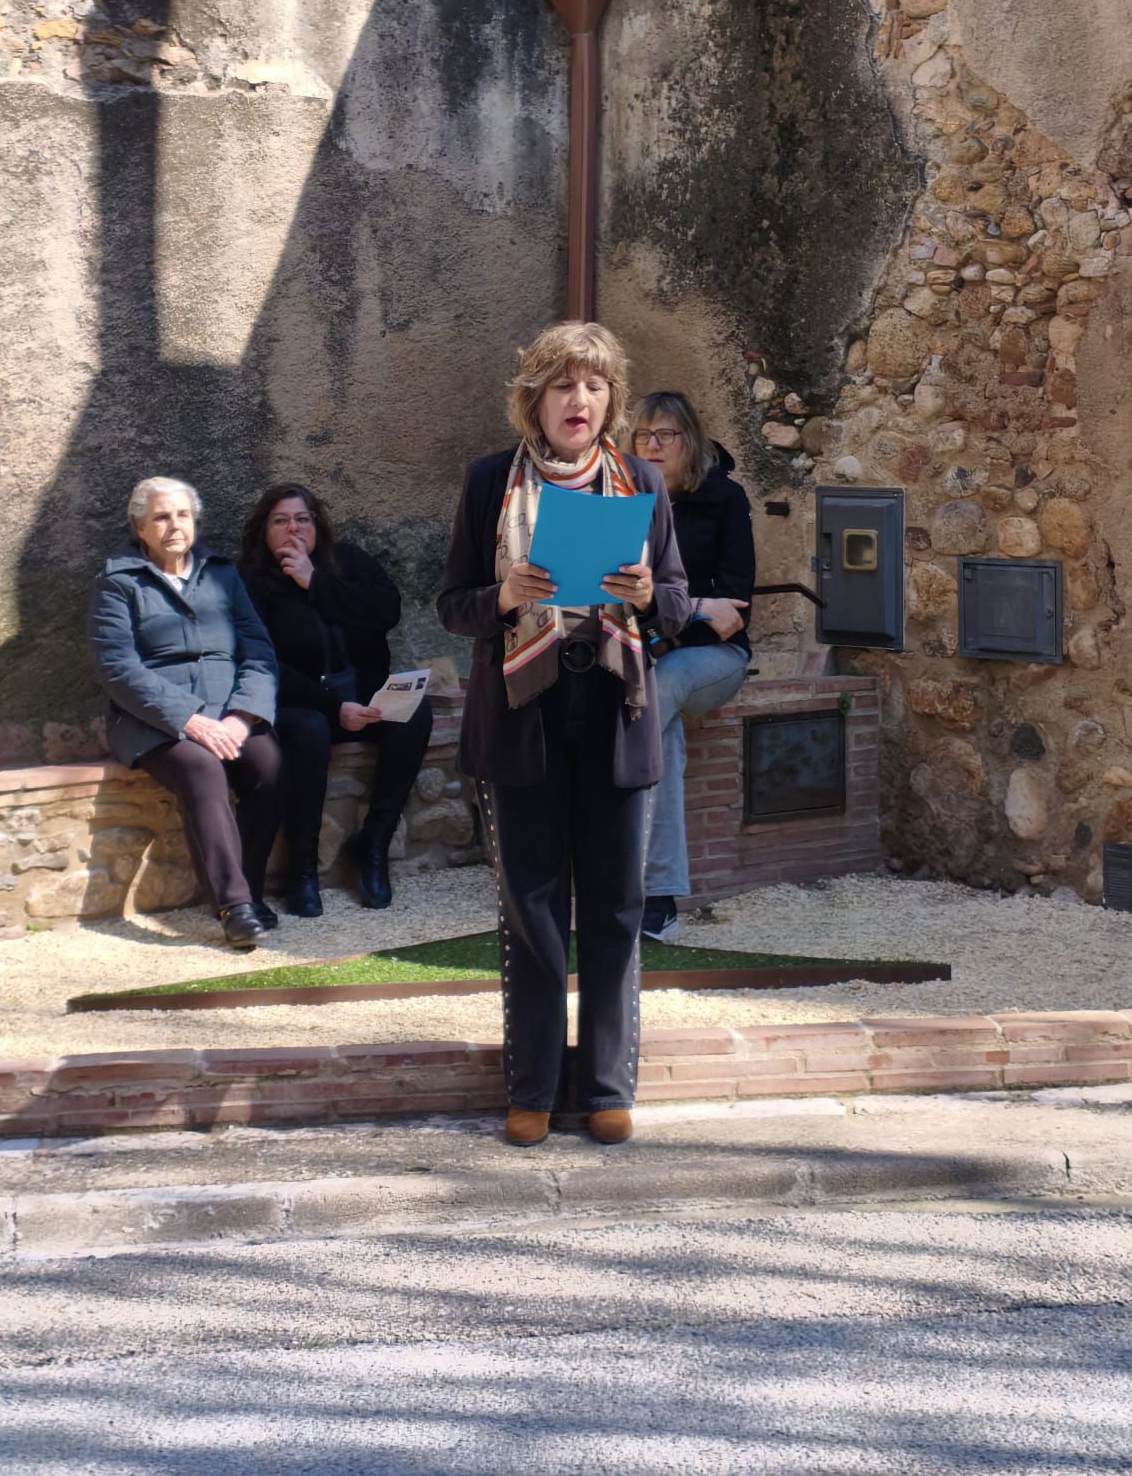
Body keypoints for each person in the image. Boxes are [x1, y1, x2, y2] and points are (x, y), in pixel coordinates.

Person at [438, 321, 691, 1149]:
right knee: (534, 912)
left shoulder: (640, 481)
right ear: (534, 400)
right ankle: (534, 1090)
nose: (579, 399)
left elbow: (679, 602)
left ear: (610, 399)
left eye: (594, 385)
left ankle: (608, 1088)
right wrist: (504, 597)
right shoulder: (489, 482)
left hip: (615, 709)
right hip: (525, 715)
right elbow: (452, 604)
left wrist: (649, 595)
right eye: (562, 385)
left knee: (616, 909)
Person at [87, 476, 282, 950]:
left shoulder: (223, 575)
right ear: (140, 528)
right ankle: (234, 906)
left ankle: (250, 888)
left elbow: (259, 651)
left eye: (182, 515)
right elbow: (117, 667)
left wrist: (242, 716)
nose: (174, 525)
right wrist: (190, 720)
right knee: (202, 769)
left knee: (269, 767)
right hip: (153, 721)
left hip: (229, 713)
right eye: (161, 517)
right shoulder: (118, 583)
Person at [238, 483, 433, 914]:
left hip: (362, 695)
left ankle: (374, 844)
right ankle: (302, 870)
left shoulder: (348, 563)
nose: (293, 529)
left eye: (302, 519)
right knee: (308, 730)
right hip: (302, 703)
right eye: (280, 521)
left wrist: (315, 582)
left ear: (318, 525)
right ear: (264, 532)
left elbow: (386, 612)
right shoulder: (251, 582)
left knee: (415, 713)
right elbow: (263, 662)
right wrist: (333, 708)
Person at [631, 394, 755, 942]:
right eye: (643, 436)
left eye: (666, 435)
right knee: (663, 738)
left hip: (713, 659)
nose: (653, 446)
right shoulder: (624, 499)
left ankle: (595, 819)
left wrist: (671, 608)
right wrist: (697, 602)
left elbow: (735, 606)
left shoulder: (724, 498)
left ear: (691, 440)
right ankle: (658, 897)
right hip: (643, 657)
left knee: (666, 683)